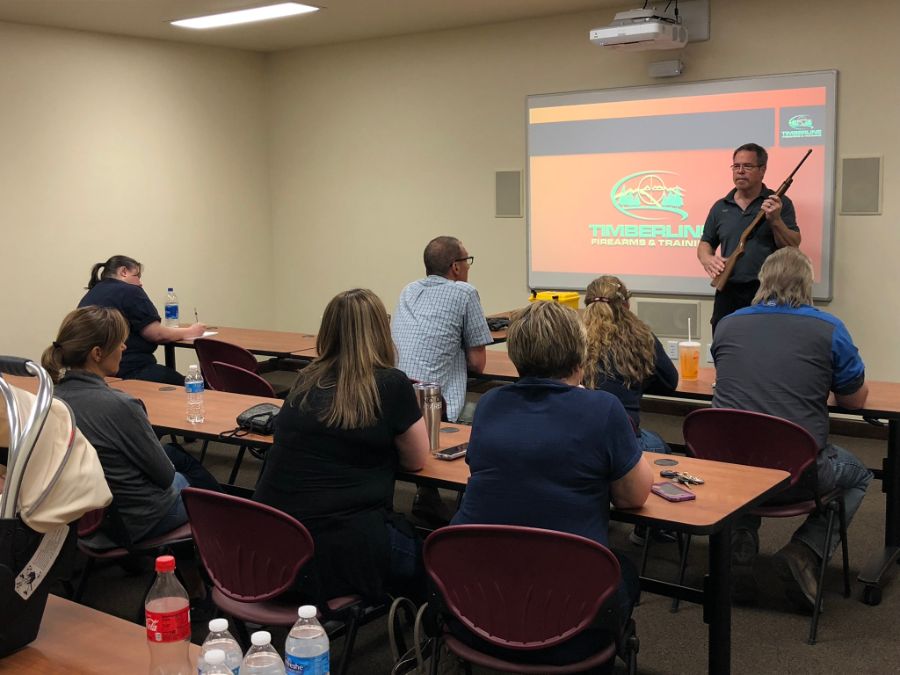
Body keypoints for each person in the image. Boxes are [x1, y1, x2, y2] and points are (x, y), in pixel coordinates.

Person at [451, 301, 652, 671]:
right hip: (572, 617)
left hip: (477, 606)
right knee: (624, 570)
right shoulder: (604, 410)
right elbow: (633, 497)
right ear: (580, 352)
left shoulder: (490, 405)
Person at [712, 247, 872, 609]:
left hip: (730, 474)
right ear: (807, 285)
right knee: (860, 475)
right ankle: (805, 551)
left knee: (747, 445)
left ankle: (739, 541)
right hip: (797, 478)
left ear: (762, 281)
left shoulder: (728, 324)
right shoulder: (829, 328)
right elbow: (854, 401)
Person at [254, 289, 430, 602]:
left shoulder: (305, 379)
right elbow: (417, 460)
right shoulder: (391, 383)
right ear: (380, 331)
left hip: (276, 544)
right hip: (341, 549)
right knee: (435, 564)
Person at [41, 306, 220, 548]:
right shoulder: (121, 406)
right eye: (120, 343)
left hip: (81, 517)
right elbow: (165, 477)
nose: (124, 348)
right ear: (97, 353)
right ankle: (227, 530)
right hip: (136, 520)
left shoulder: (49, 400)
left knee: (174, 455)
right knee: (185, 480)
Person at [391, 236, 493, 524]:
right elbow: (478, 363)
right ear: (455, 267)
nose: (468, 267)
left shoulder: (408, 290)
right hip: (435, 402)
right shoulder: (465, 293)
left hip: (397, 394)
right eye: (467, 261)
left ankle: (428, 493)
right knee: (486, 411)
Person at [698, 143, 801, 332]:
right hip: (728, 291)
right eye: (736, 166)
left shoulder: (779, 203)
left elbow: (793, 246)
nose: (740, 171)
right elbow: (705, 242)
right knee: (723, 345)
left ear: (762, 170)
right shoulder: (720, 206)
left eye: (747, 166)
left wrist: (776, 220)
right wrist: (707, 259)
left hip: (767, 292)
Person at [582, 275, 678, 453]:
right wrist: (637, 381)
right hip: (625, 440)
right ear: (625, 305)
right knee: (662, 446)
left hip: (581, 438)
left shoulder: (574, 338)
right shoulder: (641, 337)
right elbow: (669, 382)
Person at [78, 255, 206, 385]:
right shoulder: (130, 291)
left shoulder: (92, 292)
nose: (140, 283)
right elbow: (157, 334)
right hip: (131, 370)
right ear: (123, 272)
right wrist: (191, 331)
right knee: (196, 385)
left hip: (94, 373)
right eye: (137, 276)